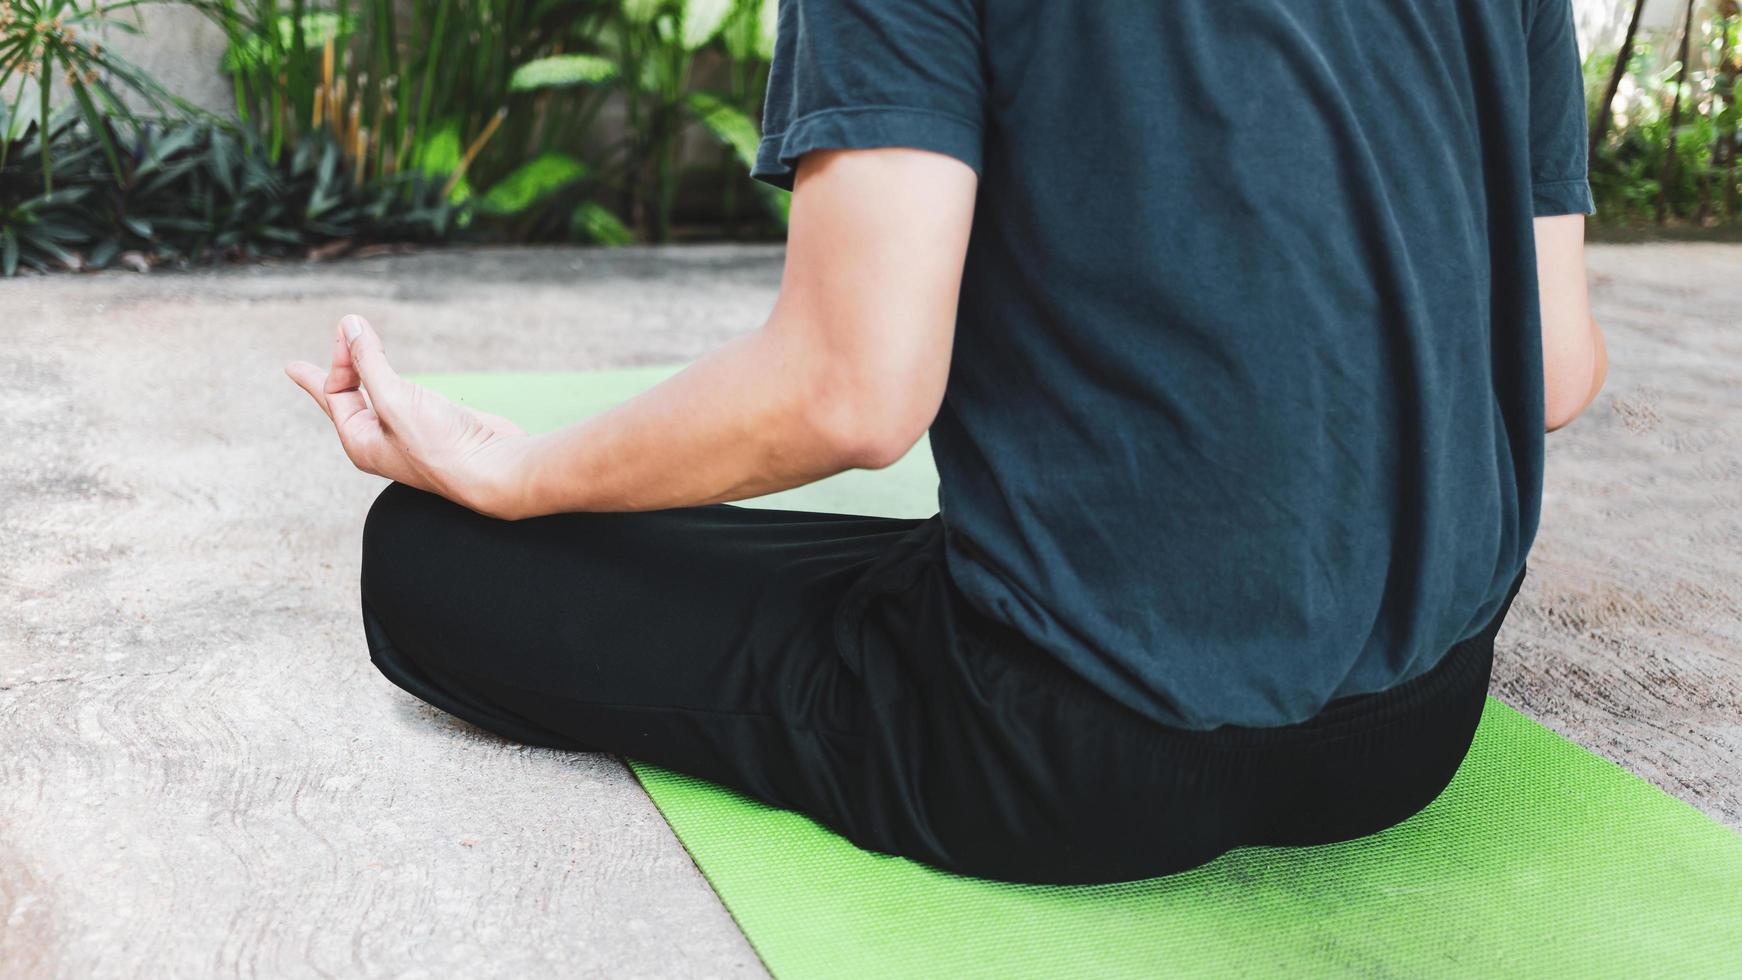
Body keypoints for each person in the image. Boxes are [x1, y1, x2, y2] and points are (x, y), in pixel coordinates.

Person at [288, 0, 1607, 885]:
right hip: (1417, 726)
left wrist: (515, 475)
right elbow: (1552, 370)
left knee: (426, 555)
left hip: (1066, 742)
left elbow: (849, 395)